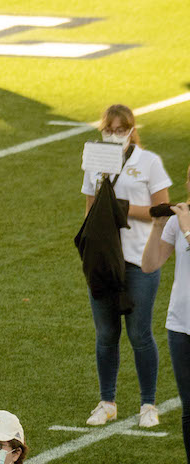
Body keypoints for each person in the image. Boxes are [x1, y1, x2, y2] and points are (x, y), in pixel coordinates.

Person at [81, 104, 171, 428]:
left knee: (140, 333)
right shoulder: (95, 161)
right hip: (105, 260)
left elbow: (162, 209)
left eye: (121, 129)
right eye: (110, 129)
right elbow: (89, 210)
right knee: (106, 334)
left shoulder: (149, 162)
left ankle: (148, 404)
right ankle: (107, 401)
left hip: (138, 258)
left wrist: (122, 208)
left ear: (132, 130)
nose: (115, 135)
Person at [141, 176, 190, 464]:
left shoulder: (185, 221)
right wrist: (159, 226)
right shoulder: (181, 218)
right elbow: (150, 264)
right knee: (189, 408)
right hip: (180, 325)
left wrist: (186, 228)